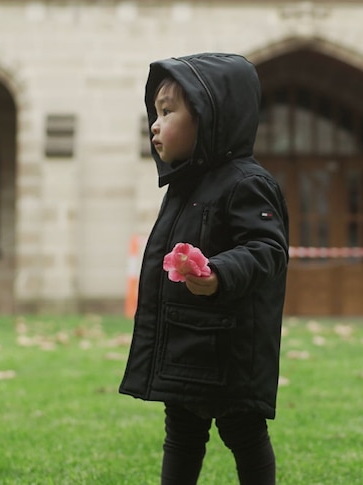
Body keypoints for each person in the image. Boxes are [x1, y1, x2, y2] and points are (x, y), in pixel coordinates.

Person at [119, 53, 289, 485]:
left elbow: (267, 249)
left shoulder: (247, 183)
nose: (154, 125)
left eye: (168, 111)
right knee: (181, 430)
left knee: (243, 431)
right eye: (154, 113)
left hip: (231, 345)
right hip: (186, 338)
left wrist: (218, 272)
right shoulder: (183, 185)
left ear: (210, 117)